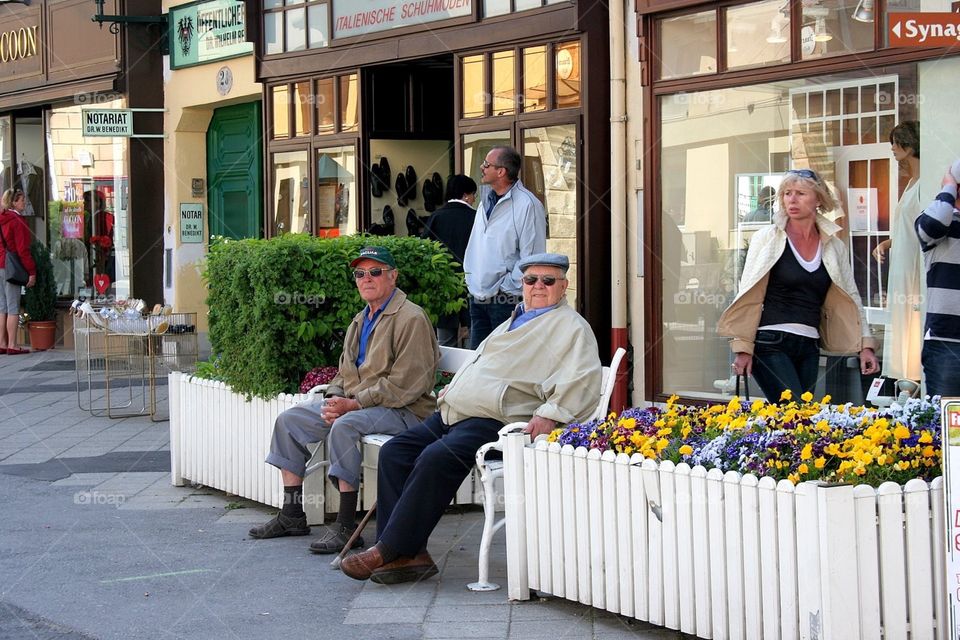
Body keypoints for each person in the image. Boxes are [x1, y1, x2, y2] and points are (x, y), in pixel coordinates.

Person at [340, 253, 601, 585]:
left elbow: (582, 380)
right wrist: (457, 387)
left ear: (563, 287)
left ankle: (389, 549)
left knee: (435, 458)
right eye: (531, 280)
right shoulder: (516, 318)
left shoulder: (571, 327)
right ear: (522, 285)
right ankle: (410, 554)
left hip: (497, 420)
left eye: (548, 281)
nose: (538, 287)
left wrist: (551, 414)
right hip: (456, 413)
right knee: (396, 452)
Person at [249, 246, 440, 553]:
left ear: (393, 276)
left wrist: (352, 405)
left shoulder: (410, 318)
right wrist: (335, 398)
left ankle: (346, 524)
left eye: (375, 272)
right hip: (362, 404)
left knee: (346, 425)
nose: (367, 279)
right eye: (360, 274)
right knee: (290, 420)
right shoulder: (361, 318)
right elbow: (343, 373)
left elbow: (408, 384)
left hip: (405, 411)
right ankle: (293, 514)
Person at [718, 169, 879, 403]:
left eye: (801, 193)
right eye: (786, 193)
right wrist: (743, 348)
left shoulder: (833, 246)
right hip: (770, 341)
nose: (791, 200)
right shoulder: (768, 238)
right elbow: (748, 291)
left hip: (809, 344)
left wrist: (865, 345)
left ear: (818, 200)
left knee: (801, 417)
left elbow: (852, 296)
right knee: (794, 410)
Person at [463, 145, 546, 348]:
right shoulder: (484, 202)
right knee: (477, 363)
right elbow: (476, 244)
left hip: (505, 299)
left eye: (486, 164)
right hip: (477, 295)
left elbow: (532, 256)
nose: (482, 168)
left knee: (503, 362)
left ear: (501, 172)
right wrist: (471, 277)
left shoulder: (528, 204)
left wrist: (506, 287)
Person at [873, 121, 924, 383]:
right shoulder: (912, 182)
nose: (892, 149)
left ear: (908, 145)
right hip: (902, 264)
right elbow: (910, 226)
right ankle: (904, 380)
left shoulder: (924, 183)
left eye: (896, 143)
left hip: (916, 266)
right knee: (902, 319)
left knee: (912, 322)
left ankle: (912, 379)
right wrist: (889, 243)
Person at [915, 164, 960, 398]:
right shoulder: (940, 225)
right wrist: (949, 187)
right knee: (948, 429)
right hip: (947, 341)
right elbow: (932, 225)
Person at [421, 174, 478, 347]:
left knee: (445, 343)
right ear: (466, 194)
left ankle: (445, 375)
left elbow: (424, 250)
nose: (474, 199)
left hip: (443, 285)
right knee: (474, 339)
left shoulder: (436, 217)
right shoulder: (477, 218)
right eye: (474, 194)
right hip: (472, 283)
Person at [0, 188, 36, 355]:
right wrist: (31, 271)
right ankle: (13, 345)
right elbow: (23, 249)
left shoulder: (2, 218)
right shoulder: (17, 221)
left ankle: (2, 342)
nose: (24, 202)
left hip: (0, 265)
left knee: (2, 307)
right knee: (13, 306)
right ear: (13, 202)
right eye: (21, 200)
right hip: (11, 268)